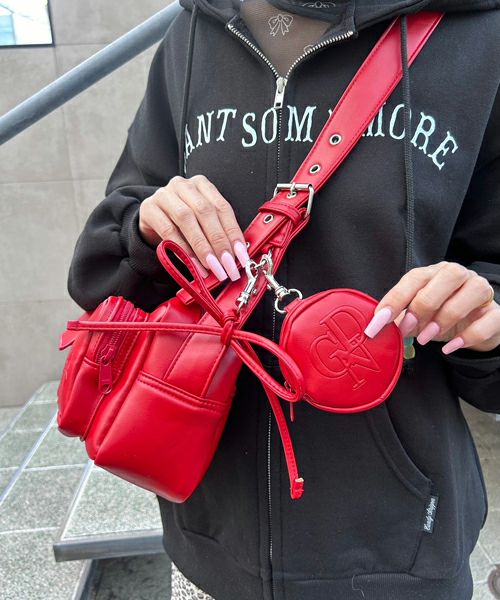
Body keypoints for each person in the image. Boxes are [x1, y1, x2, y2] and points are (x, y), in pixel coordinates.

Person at [66, 0, 500, 597]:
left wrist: (484, 319)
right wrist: (147, 226)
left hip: (398, 550)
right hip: (209, 534)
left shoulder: (478, 36)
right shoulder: (194, 31)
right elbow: (107, 258)